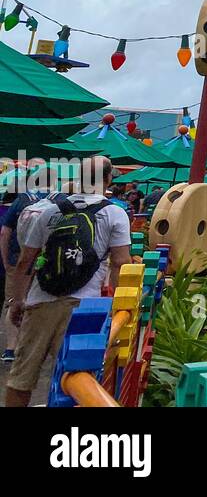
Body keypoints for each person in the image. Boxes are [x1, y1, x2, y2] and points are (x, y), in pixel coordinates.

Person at [4, 156, 131, 407]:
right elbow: (120, 262)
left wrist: (17, 301)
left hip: (41, 301)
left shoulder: (49, 211)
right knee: (73, 376)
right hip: (85, 307)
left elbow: (25, 261)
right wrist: (118, 305)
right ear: (107, 180)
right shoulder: (115, 213)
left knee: (21, 376)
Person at [0, 164, 51, 365]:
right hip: (44, 262)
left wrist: (6, 261)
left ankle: (11, 348)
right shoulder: (57, 201)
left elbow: (5, 232)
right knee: (37, 303)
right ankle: (31, 347)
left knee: (13, 301)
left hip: (17, 260)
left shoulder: (22, 200)